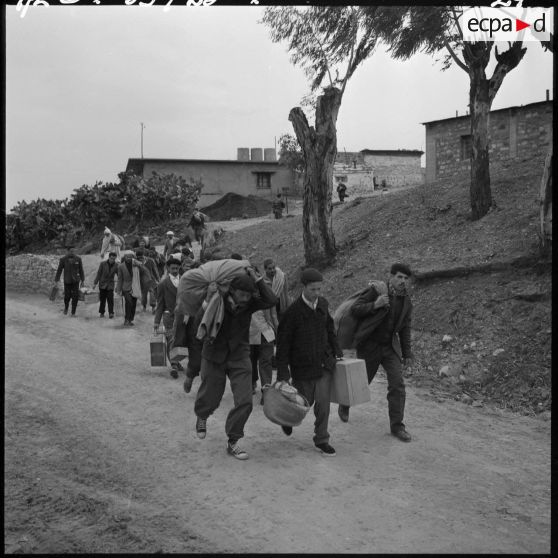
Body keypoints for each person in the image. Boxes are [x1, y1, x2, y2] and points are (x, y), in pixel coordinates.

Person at [193, 268, 278, 460]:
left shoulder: (250, 304)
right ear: (232, 290)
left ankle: (233, 440)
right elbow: (199, 322)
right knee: (211, 395)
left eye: (249, 295)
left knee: (245, 401)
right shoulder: (217, 299)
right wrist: (207, 298)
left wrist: (258, 281)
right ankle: (202, 415)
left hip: (239, 354)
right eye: (242, 294)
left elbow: (272, 300)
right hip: (214, 354)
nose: (245, 299)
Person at [340, 263, 414, 442]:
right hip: (370, 345)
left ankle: (397, 426)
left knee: (397, 384)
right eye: (399, 277)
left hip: (390, 347)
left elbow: (404, 329)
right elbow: (355, 310)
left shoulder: (407, 302)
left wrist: (407, 354)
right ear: (391, 276)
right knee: (361, 382)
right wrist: (375, 304)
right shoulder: (376, 291)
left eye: (405, 278)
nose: (402, 281)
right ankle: (345, 404)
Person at [276, 268, 343, 456]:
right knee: (303, 404)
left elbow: (329, 329)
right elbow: (283, 346)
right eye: (313, 289)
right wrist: (283, 373)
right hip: (302, 369)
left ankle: (322, 439)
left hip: (323, 365)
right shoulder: (292, 313)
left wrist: (337, 350)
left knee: (323, 405)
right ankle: (287, 419)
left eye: (319, 289)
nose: (317, 294)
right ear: (303, 287)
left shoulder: (322, 304)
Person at [154, 257, 184, 378]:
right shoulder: (163, 284)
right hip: (169, 316)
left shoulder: (185, 280)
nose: (175, 270)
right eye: (173, 268)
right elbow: (160, 304)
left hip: (183, 315)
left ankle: (177, 361)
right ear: (168, 268)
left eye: (177, 268)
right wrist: (156, 321)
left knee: (181, 339)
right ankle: (173, 363)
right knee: (171, 339)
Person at [115, 250, 152, 326]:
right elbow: (120, 279)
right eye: (127, 257)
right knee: (129, 302)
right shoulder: (121, 266)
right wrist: (118, 290)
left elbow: (145, 271)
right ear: (124, 257)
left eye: (130, 257)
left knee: (133, 304)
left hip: (135, 287)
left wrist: (139, 265)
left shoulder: (136, 264)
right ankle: (126, 320)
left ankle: (130, 319)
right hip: (126, 288)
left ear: (132, 257)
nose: (128, 258)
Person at [54, 246, 85, 317]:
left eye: (73, 251)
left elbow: (81, 270)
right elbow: (59, 270)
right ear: (67, 251)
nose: (72, 253)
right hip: (67, 281)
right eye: (71, 251)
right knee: (67, 296)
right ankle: (66, 308)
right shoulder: (63, 259)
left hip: (76, 281)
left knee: (75, 297)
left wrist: (83, 280)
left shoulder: (78, 259)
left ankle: (73, 312)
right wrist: (56, 280)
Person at [93, 251, 118, 318]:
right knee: (102, 300)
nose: (112, 260)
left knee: (110, 299)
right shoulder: (102, 264)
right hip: (102, 284)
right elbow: (99, 274)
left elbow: (119, 275)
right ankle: (102, 312)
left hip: (110, 284)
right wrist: (95, 283)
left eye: (114, 259)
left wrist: (118, 285)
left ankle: (111, 313)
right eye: (111, 258)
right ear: (109, 257)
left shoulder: (116, 265)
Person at [135, 248, 160, 313]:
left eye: (141, 257)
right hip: (142, 280)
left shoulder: (150, 260)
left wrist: (158, 279)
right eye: (139, 257)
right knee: (144, 294)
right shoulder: (135, 262)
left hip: (151, 279)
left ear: (143, 255)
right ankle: (144, 307)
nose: (140, 258)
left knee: (152, 292)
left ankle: (153, 307)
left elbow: (155, 270)